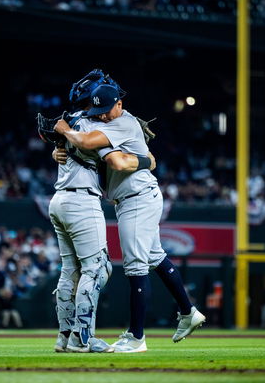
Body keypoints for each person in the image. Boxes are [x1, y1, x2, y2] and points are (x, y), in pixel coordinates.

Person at [54, 84, 206, 353]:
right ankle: (188, 311)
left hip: (137, 197)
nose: (102, 115)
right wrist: (60, 150)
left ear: (120, 104)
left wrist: (64, 130)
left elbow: (114, 159)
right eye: (99, 110)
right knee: (154, 257)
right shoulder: (107, 121)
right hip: (136, 196)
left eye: (107, 110)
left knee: (135, 267)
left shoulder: (123, 122)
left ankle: (136, 337)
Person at [47, 70, 156, 353]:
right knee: (98, 268)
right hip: (81, 201)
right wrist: (146, 160)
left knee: (70, 270)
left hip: (59, 198)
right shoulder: (93, 127)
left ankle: (64, 336)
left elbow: (49, 132)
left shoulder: (70, 119)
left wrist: (57, 146)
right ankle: (83, 338)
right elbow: (115, 159)